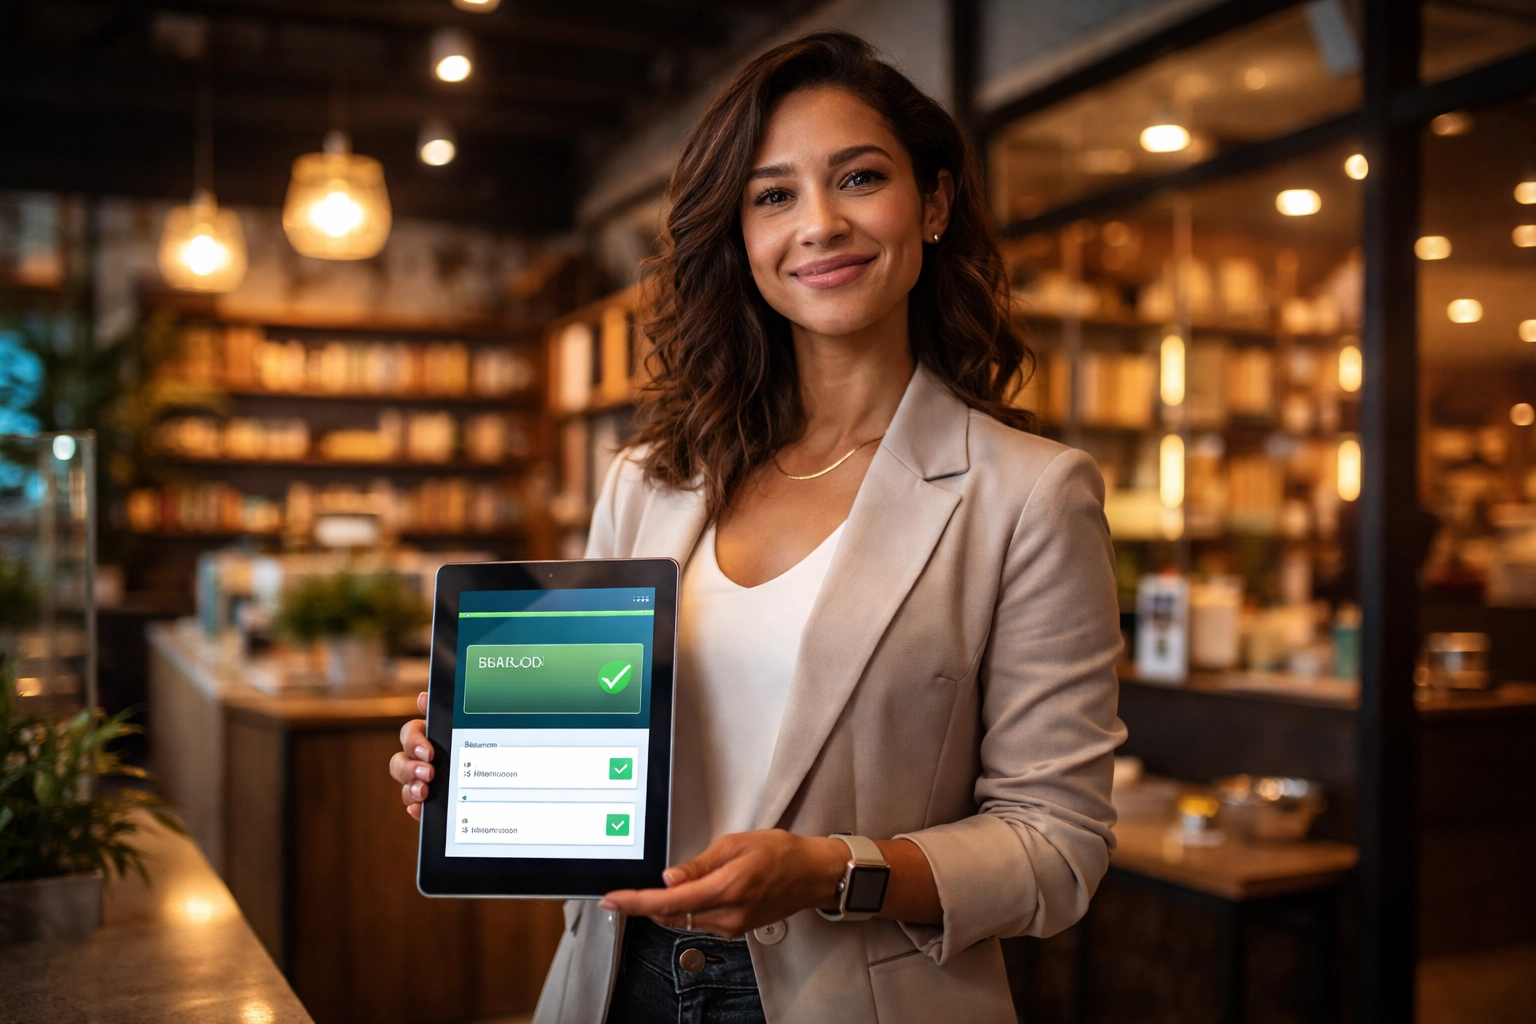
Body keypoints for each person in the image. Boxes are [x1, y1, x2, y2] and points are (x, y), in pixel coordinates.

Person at [390, 31, 1124, 1024]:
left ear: (935, 203)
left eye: (859, 177)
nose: (819, 224)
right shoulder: (649, 483)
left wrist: (830, 872)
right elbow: (582, 740)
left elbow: (1057, 845)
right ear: (739, 235)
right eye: (773, 195)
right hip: (616, 981)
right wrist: (478, 765)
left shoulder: (1030, 494)